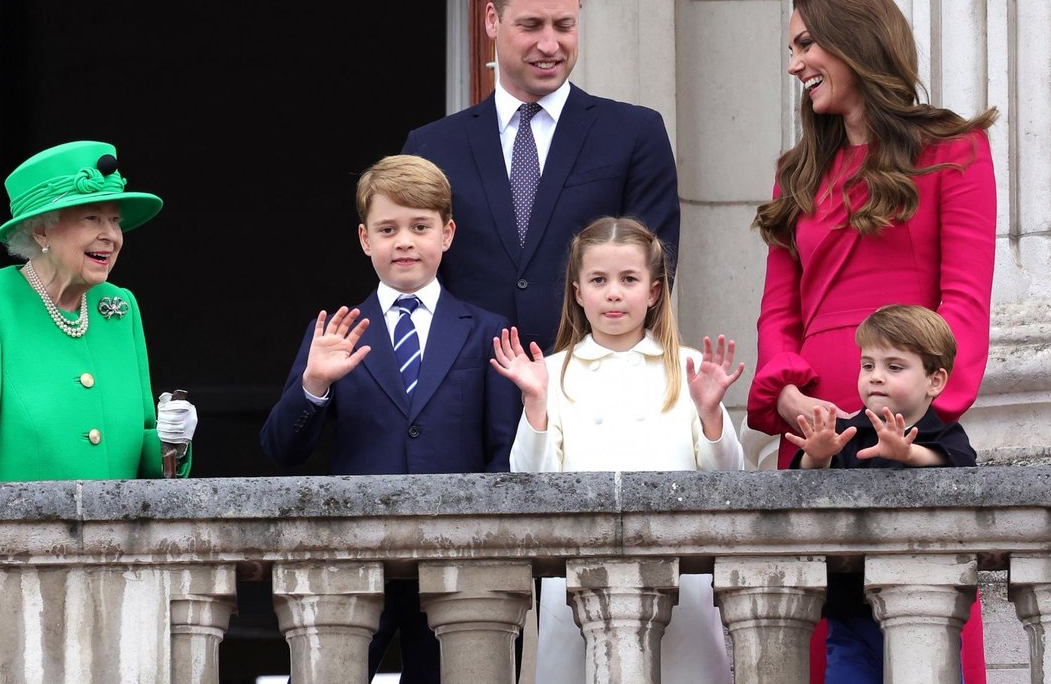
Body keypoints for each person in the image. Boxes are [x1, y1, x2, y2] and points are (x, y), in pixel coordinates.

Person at [746, 0, 996, 684]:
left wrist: (919, 427)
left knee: (923, 649)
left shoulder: (954, 149)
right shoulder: (797, 172)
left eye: (806, 44)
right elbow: (778, 312)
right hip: (820, 435)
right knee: (826, 654)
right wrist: (788, 399)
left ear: (856, 40)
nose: (795, 64)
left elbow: (966, 302)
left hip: (904, 433)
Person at [259, 154, 520, 684]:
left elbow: (503, 453)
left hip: (456, 559)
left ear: (447, 234)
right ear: (364, 239)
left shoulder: (486, 329)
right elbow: (280, 451)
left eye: (420, 226)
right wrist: (315, 385)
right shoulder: (335, 331)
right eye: (388, 228)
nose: (404, 241)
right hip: (356, 559)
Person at [491, 215, 742, 684]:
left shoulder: (688, 367)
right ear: (577, 291)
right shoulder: (553, 371)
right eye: (599, 280)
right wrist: (536, 403)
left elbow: (727, 480)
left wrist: (710, 413)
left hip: (679, 578)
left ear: (653, 291)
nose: (613, 293)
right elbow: (531, 482)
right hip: (579, 579)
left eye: (629, 279)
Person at [401, 0, 680, 355]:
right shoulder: (430, 147)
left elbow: (654, 274)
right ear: (492, 20)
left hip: (589, 388)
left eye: (563, 25)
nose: (550, 45)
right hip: (468, 390)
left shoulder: (635, 134)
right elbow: (409, 280)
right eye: (531, 25)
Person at [0, 140, 198, 482]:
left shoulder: (119, 308)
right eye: (92, 218)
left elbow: (141, 461)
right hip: (21, 535)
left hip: (119, 534)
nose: (112, 236)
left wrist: (172, 442)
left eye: (114, 220)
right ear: (42, 228)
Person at [787, 304, 976, 681]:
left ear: (935, 381)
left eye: (894, 367)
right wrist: (818, 457)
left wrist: (908, 453)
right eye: (867, 365)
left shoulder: (942, 435)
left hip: (927, 608)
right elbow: (799, 492)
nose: (875, 377)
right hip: (851, 611)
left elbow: (962, 470)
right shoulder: (846, 432)